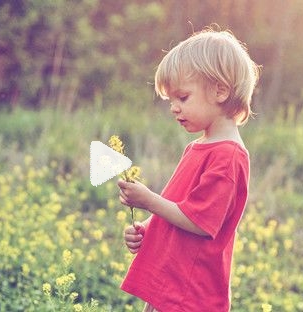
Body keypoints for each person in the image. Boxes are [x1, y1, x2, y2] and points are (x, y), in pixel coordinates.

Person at [117, 26, 260, 312]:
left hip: (192, 293)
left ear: (220, 90)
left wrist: (149, 201)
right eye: (171, 100)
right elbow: (181, 206)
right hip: (173, 281)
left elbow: (200, 222)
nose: (173, 108)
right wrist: (148, 228)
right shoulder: (199, 147)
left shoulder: (228, 156)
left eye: (182, 97)